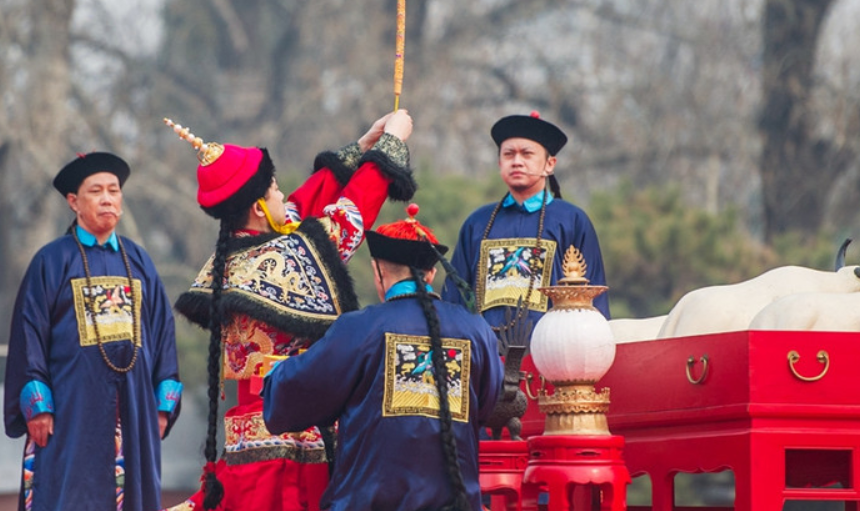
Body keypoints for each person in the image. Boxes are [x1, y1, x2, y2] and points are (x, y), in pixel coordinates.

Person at [164, 110, 417, 511]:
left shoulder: (235, 256)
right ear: (258, 208)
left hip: (248, 443)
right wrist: (392, 147)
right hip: (289, 447)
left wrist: (363, 146)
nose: (284, 196)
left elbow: (301, 207)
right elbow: (345, 221)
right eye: (275, 190)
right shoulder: (279, 259)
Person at [261, 204, 504, 511]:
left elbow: (300, 389)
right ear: (431, 272)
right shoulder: (476, 330)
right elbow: (488, 400)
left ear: (378, 270)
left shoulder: (359, 328)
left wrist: (273, 372)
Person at [3, 151, 183, 511]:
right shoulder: (51, 261)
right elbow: (29, 334)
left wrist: (162, 406)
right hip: (71, 411)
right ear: (74, 202)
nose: (107, 199)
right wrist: (38, 406)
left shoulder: (140, 261)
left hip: (133, 411)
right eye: (96, 191)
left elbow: (163, 333)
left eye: (114, 191)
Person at [442, 111, 609, 334]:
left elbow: (594, 299)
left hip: (554, 354)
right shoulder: (477, 223)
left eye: (527, 154)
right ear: (499, 162)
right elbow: (455, 300)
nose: (517, 161)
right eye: (509, 154)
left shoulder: (571, 221)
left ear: (549, 164)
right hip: (487, 357)